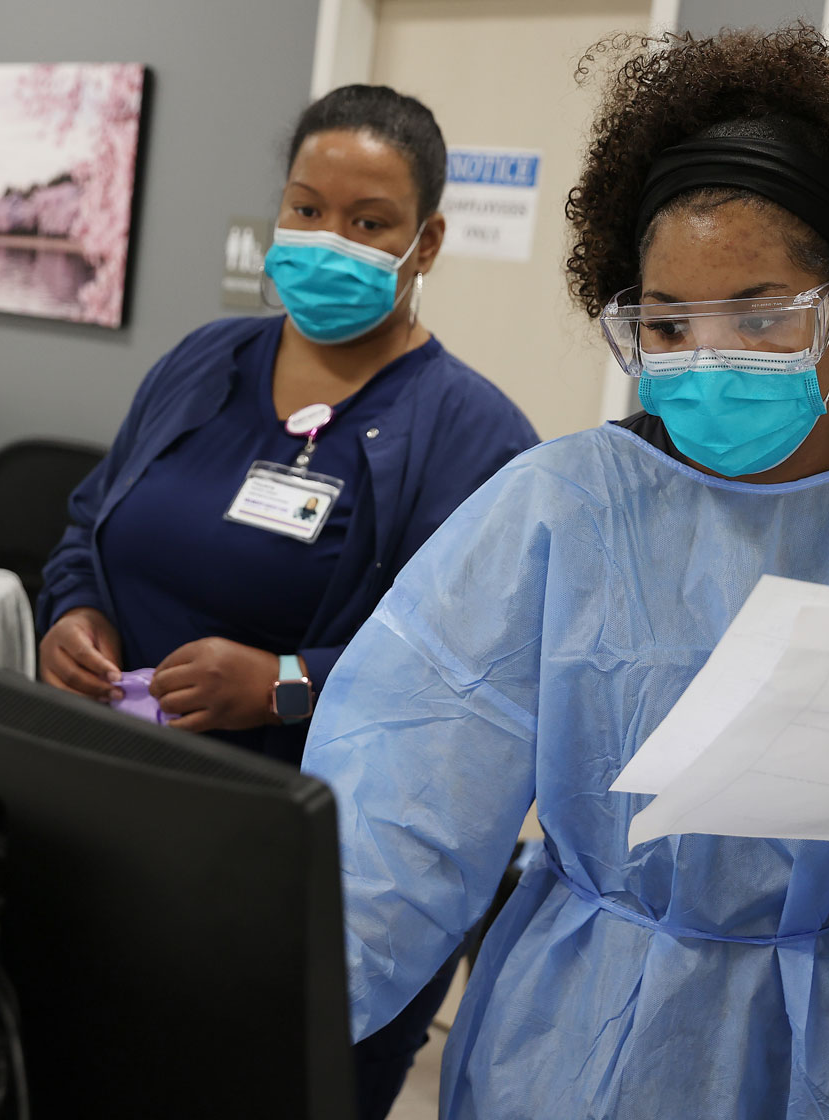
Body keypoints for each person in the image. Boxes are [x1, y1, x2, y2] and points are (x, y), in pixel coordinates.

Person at [301, 28, 829, 1119]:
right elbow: (394, 816)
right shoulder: (557, 508)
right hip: (572, 1048)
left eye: (757, 316)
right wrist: (261, 1000)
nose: (705, 355)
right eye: (667, 321)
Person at [36, 85, 538, 1116]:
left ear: (427, 241)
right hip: (123, 828)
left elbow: (471, 690)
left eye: (369, 223)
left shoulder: (473, 436)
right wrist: (71, 616)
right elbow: (92, 523)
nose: (328, 239)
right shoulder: (202, 363)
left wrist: (286, 685)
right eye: (307, 209)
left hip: (310, 882)